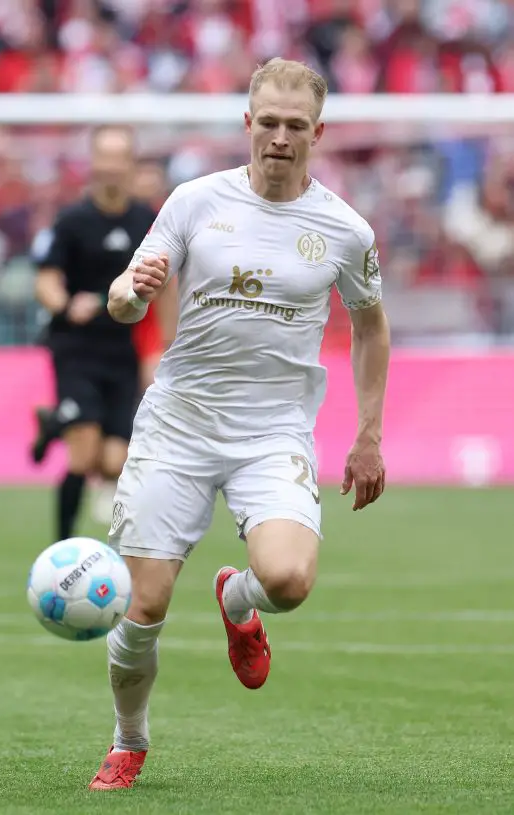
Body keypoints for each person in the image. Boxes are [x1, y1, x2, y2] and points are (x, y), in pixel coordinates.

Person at [87, 59, 390, 791]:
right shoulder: (195, 202)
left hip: (274, 429)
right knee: (145, 603)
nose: (280, 138)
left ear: (317, 132)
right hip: (180, 423)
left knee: (287, 580)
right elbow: (124, 299)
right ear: (247, 124)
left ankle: (236, 598)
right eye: (269, 123)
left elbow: (373, 327)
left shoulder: (345, 230)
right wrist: (132, 291)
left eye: (296, 126)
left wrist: (369, 434)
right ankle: (130, 739)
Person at [32, 126, 160, 541]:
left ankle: (54, 424)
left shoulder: (147, 221)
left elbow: (167, 289)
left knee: (112, 462)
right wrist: (67, 306)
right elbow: (46, 281)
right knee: (83, 453)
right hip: (77, 350)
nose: (110, 166)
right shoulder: (72, 220)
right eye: (102, 156)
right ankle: (61, 549)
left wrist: (161, 349)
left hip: (122, 353)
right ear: (93, 163)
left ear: (130, 165)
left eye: (118, 157)